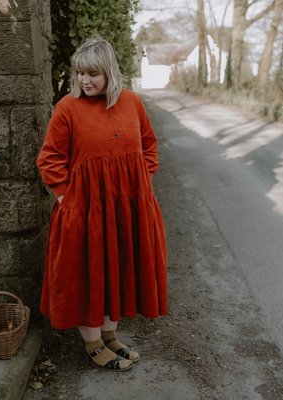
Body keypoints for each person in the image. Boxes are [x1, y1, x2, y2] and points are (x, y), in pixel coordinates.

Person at [36, 37, 167, 372]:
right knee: (89, 274)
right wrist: (68, 198)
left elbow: (149, 147)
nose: (84, 81)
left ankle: (110, 337)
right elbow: (49, 159)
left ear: (109, 72)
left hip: (127, 208)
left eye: (92, 73)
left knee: (117, 270)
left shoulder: (133, 102)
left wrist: (142, 185)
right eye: (80, 73)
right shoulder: (67, 107)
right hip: (85, 211)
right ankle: (93, 344)